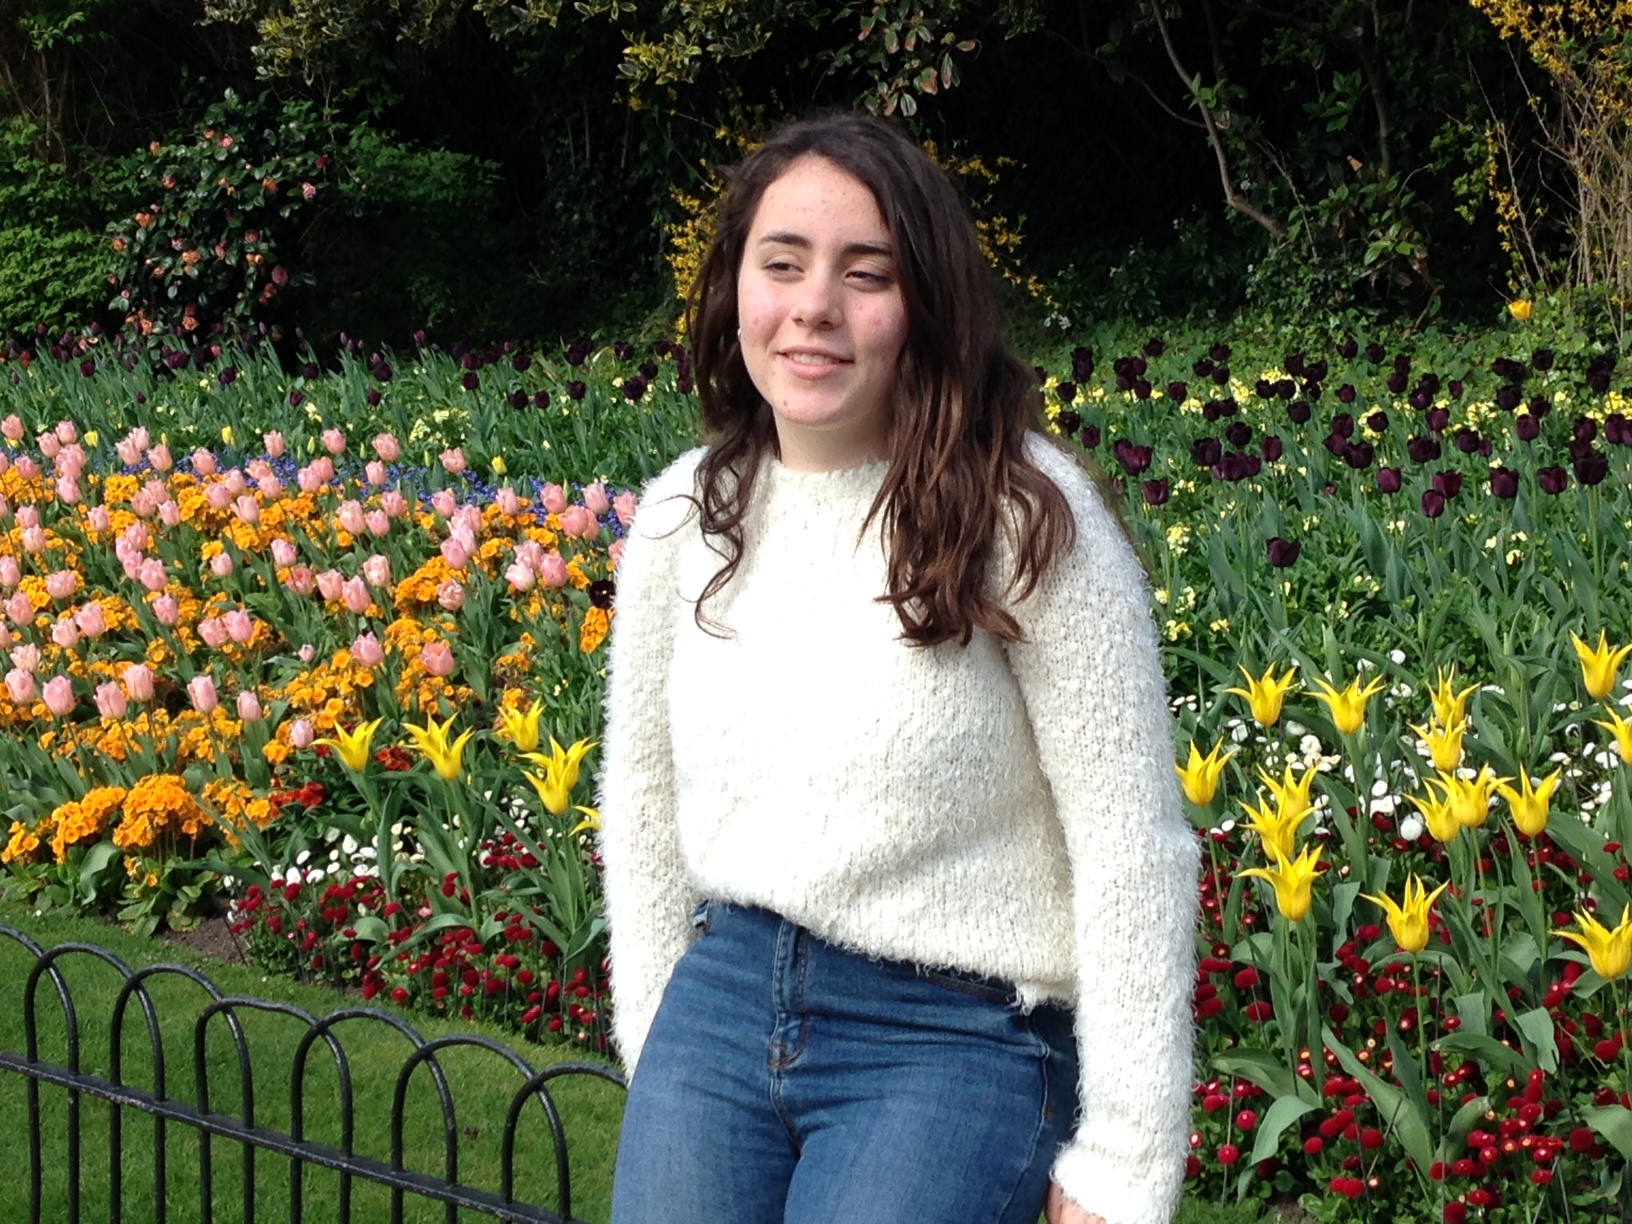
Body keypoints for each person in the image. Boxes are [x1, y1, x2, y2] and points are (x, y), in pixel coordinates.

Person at [597, 110, 1199, 1224]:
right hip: (718, 1012)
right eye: (783, 264)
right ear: (735, 287)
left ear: (925, 300)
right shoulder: (687, 513)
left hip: (953, 1038)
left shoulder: (1022, 515)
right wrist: (654, 1031)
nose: (815, 306)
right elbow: (638, 803)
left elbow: (1130, 845)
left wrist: (1125, 1155)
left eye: (865, 273)